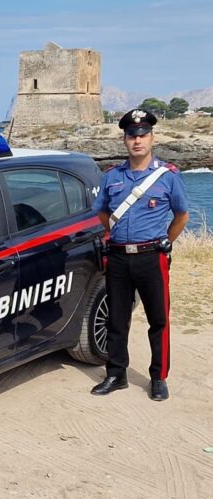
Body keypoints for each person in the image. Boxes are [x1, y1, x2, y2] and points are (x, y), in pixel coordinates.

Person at [90, 108, 189, 401]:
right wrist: (116, 235)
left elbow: (181, 215)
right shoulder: (112, 176)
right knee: (116, 320)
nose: (137, 140)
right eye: (132, 136)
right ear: (124, 140)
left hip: (151, 256)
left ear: (152, 138)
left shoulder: (168, 176)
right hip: (118, 257)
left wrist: (166, 241)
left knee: (158, 320)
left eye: (143, 135)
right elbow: (102, 212)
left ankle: (159, 377)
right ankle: (116, 374)